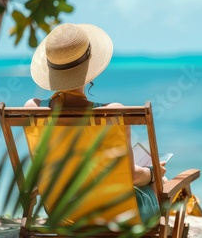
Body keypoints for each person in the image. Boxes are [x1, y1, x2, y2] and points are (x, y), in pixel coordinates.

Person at [24, 23, 165, 223]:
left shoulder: (33, 108)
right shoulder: (113, 111)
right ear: (90, 66)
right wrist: (153, 173)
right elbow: (132, 177)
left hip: (62, 213)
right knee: (164, 183)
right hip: (117, 216)